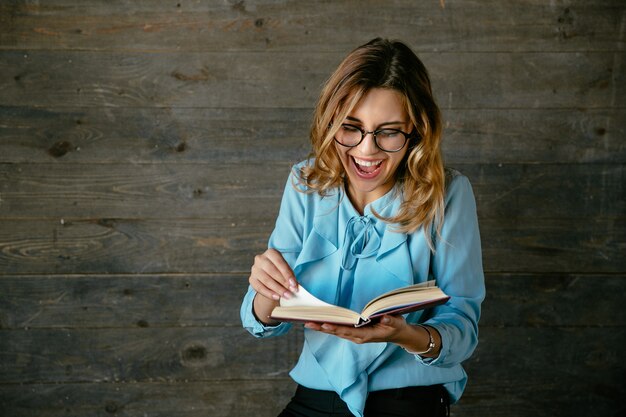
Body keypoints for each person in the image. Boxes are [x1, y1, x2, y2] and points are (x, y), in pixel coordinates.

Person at [240, 38, 485, 417]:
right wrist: (266, 289)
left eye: (388, 132)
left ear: (416, 132)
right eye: (351, 128)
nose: (366, 151)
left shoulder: (449, 195)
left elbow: (463, 329)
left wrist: (405, 335)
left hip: (406, 405)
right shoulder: (305, 183)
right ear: (331, 122)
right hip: (314, 400)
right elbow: (262, 321)